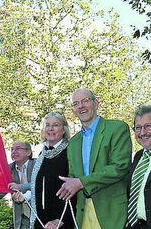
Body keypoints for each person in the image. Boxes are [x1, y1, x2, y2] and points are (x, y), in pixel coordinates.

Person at [56, 88, 132, 229]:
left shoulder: (117, 128)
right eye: (76, 104)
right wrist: (67, 185)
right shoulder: (73, 143)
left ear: (96, 103)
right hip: (83, 214)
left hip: (112, 212)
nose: (81, 106)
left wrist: (80, 182)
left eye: (85, 101)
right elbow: (73, 176)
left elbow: (119, 167)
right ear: (73, 110)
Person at [11, 111, 76, 229]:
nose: (50, 129)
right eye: (47, 125)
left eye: (55, 125)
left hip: (62, 221)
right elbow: (41, 186)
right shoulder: (43, 154)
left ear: (64, 129)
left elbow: (75, 189)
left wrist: (61, 219)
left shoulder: (71, 152)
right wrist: (26, 196)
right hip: (41, 221)